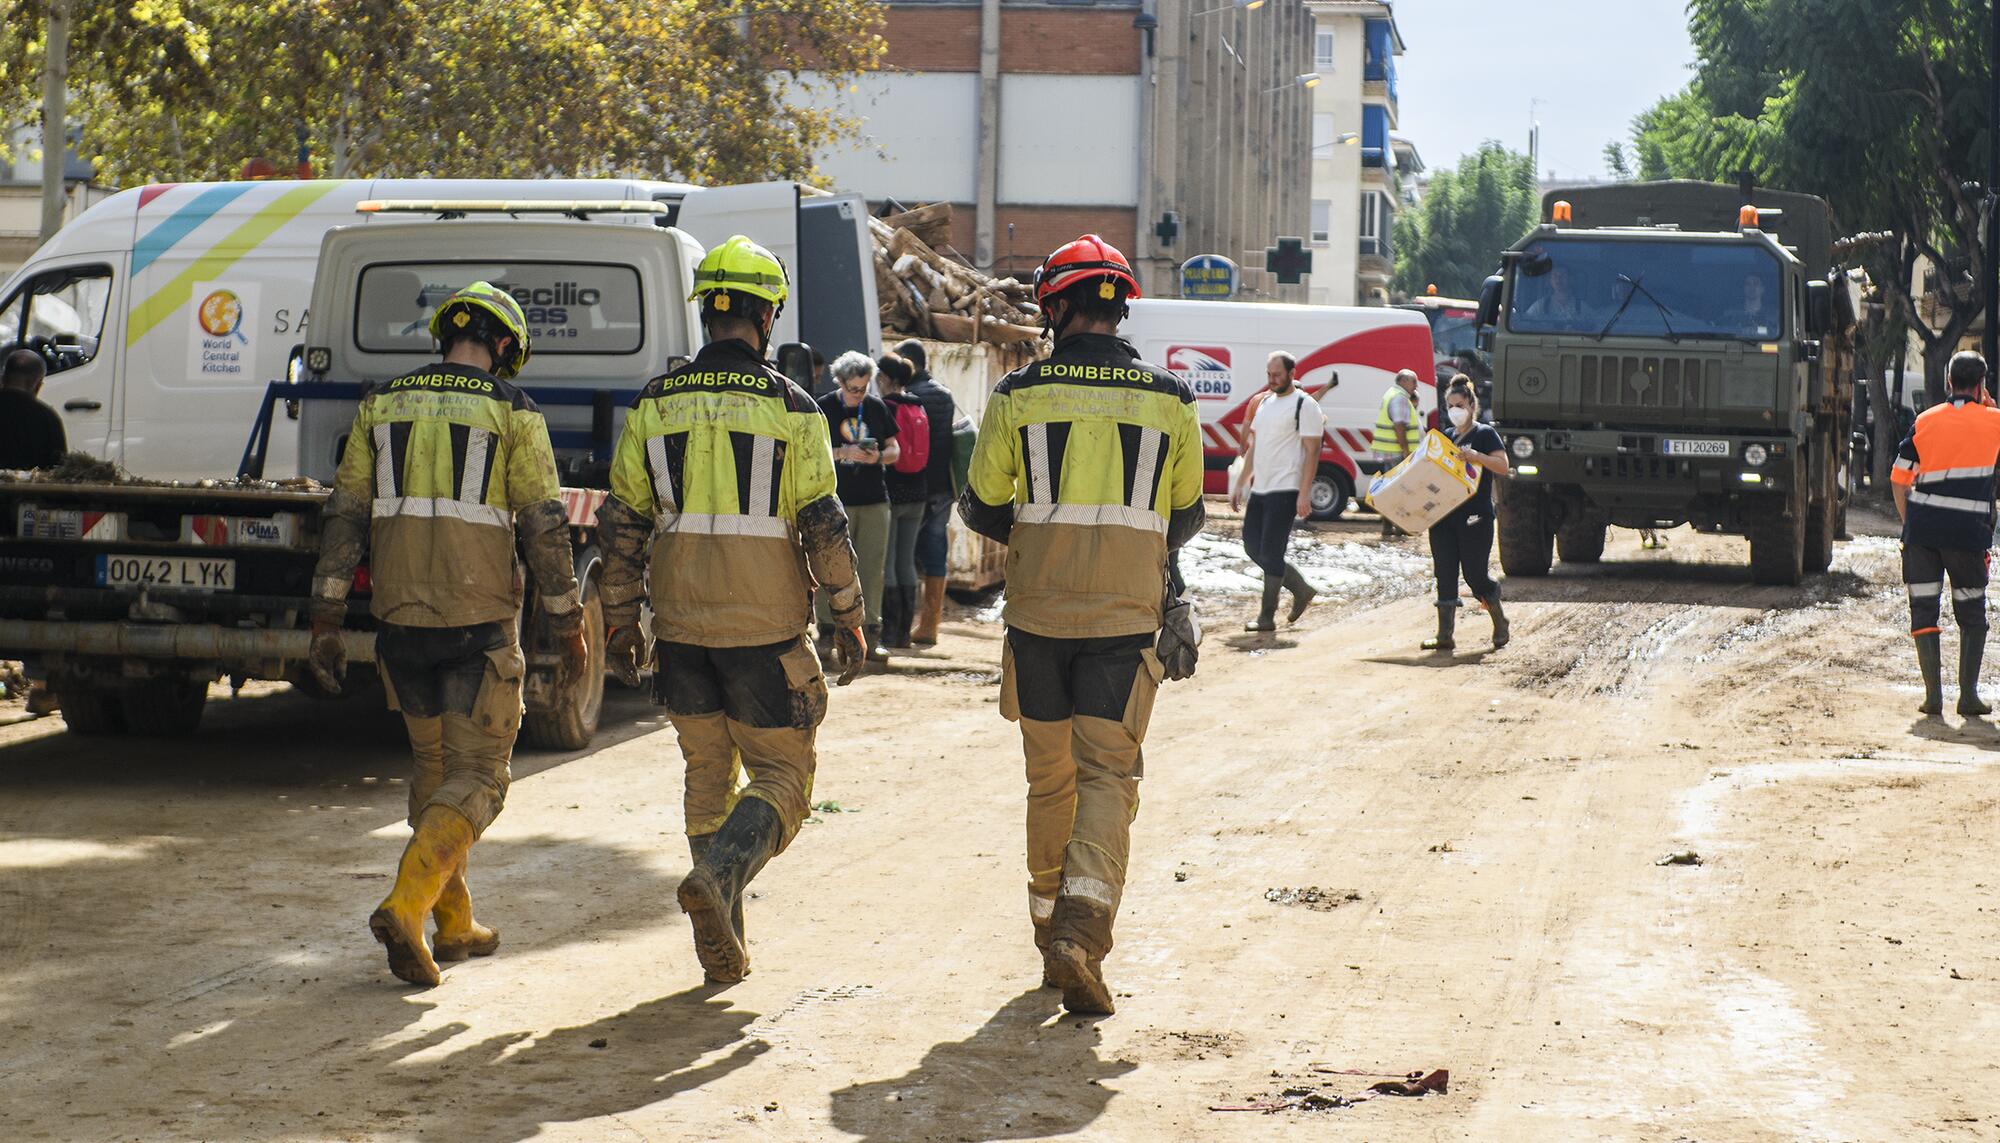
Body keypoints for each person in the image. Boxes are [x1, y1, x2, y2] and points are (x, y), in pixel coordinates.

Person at [596, 235, 869, 983]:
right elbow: (824, 526)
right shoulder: (793, 406)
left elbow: (621, 524)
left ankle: (723, 941)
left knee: (706, 774)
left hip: (681, 631)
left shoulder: (654, 404)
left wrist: (619, 617)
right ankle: (719, 882)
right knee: (782, 779)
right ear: (767, 315)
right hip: (765, 635)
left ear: (708, 314)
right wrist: (847, 613)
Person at [307, 282, 586, 987]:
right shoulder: (512, 411)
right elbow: (544, 526)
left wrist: (328, 616)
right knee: (480, 778)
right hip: (477, 628)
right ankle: (406, 905)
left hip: (400, 627)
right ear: (501, 346)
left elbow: (344, 518)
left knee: (435, 778)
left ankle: (453, 922)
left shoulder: (380, 405)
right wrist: (569, 620)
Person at [959, 234, 1204, 1016]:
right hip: (1123, 621)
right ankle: (1082, 928)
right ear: (1119, 305)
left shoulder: (1017, 396)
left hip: (1036, 616)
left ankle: (1046, 936)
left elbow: (980, 504)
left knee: (1049, 777)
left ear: (1055, 308)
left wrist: (1047, 532)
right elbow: (1188, 513)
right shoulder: (1171, 398)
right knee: (1107, 774)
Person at [1890, 350, 2000, 716]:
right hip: (1968, 535)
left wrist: (1910, 522)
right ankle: (1967, 696)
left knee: (1923, 610)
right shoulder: (1995, 421)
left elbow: (1898, 477)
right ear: (1981, 384)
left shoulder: (1924, 421)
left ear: (1948, 382)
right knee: (1971, 614)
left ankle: (1932, 697)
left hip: (1922, 534)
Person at [815, 351, 899, 664]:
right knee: (829, 566)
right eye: (853, 389)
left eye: (864, 388)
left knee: (871, 569)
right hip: (834, 499)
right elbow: (812, 450)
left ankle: (872, 634)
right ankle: (826, 633)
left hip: (874, 498)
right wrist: (842, 452)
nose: (859, 395)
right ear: (840, 382)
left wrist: (877, 457)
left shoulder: (876, 407)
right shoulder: (823, 407)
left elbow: (895, 449)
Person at [1229, 350, 1322, 631]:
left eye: (1277, 375)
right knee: (1251, 546)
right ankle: (1301, 588)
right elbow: (1256, 447)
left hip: (1286, 488)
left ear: (1292, 374)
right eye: (1269, 375)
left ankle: (1266, 616)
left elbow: (1313, 451)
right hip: (1262, 488)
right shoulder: (1266, 403)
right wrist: (1241, 482)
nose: (1272, 380)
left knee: (1270, 550)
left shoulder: (1304, 405)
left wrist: (1303, 493)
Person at [1424, 378, 1511, 653]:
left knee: (1475, 576)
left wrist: (1476, 457)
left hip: (1475, 515)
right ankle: (1444, 635)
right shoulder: (1446, 436)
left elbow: (1502, 465)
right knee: (1444, 574)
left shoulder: (1485, 434)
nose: (1454, 411)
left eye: (1459, 405)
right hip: (1443, 516)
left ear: (1471, 405)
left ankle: (1499, 621)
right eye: (1450, 406)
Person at [895, 338, 960, 645]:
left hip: (917, 487)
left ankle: (902, 624)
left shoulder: (909, 398)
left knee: (905, 553)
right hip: (944, 488)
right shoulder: (944, 396)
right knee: (936, 554)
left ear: (910, 363)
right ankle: (930, 626)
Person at [877, 351, 930, 649]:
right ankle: (903, 635)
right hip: (918, 491)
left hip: (894, 490)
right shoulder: (918, 405)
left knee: (890, 561)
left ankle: (890, 632)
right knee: (907, 560)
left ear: (884, 379)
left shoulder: (886, 406)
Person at [1370, 368, 1423, 536]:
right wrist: (1406, 451)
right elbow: (1399, 426)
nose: (1416, 385)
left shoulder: (1392, 394)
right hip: (1396, 453)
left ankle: (1391, 526)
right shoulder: (1399, 399)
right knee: (1399, 490)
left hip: (1390, 452)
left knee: (1391, 490)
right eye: (1414, 381)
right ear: (1404, 381)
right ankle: (1398, 526)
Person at [0, 348, 65, 470]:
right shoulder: (48, 419)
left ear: (3, 378)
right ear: (38, 385)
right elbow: (59, 468)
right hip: (28, 488)